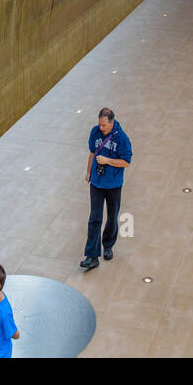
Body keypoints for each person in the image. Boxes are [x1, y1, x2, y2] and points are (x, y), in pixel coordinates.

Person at [80, 107, 132, 269]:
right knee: (94, 218)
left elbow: (126, 162)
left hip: (113, 185)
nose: (101, 128)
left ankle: (108, 245)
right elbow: (91, 153)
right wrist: (88, 171)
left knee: (112, 215)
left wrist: (108, 161)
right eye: (99, 125)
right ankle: (92, 256)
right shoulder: (95, 132)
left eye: (104, 125)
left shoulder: (122, 138)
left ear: (112, 122)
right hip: (96, 183)